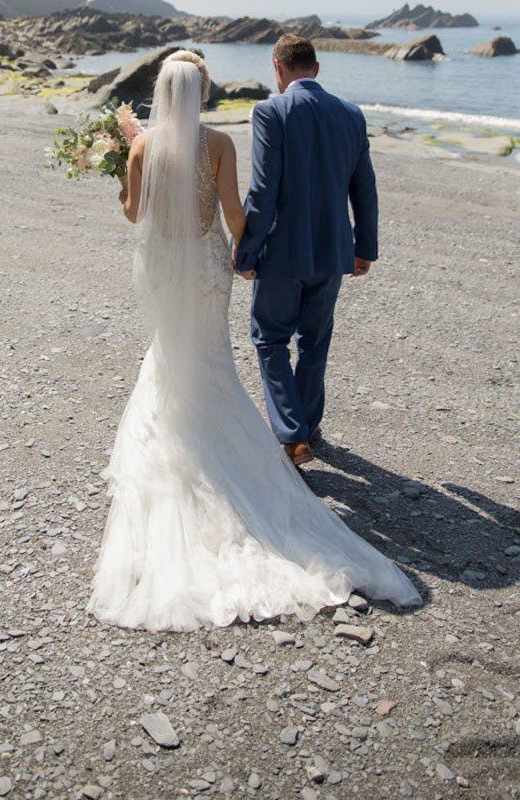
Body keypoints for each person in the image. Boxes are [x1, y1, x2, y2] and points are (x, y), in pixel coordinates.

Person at [87, 50, 419, 632]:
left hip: (164, 261)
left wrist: (122, 159)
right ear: (204, 91)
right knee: (214, 353)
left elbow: (134, 213)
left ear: (161, 91)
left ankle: (193, 436)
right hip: (210, 260)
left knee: (171, 348)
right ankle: (279, 440)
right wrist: (249, 254)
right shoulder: (217, 144)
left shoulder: (142, 146)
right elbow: (235, 213)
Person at [234, 34, 377, 468]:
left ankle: (294, 435)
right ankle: (307, 428)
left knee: (269, 338)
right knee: (315, 341)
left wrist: (246, 251)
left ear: (278, 68)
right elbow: (364, 188)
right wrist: (364, 247)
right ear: (316, 69)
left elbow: (263, 191)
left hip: (282, 252)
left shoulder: (270, 111)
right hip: (334, 250)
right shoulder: (351, 115)